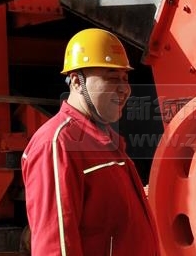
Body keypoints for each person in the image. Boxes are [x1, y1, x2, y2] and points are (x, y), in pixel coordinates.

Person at [21, 28, 160, 255]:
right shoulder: (57, 144)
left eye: (125, 79)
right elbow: (55, 246)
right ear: (77, 82)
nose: (124, 89)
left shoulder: (105, 141)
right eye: (112, 78)